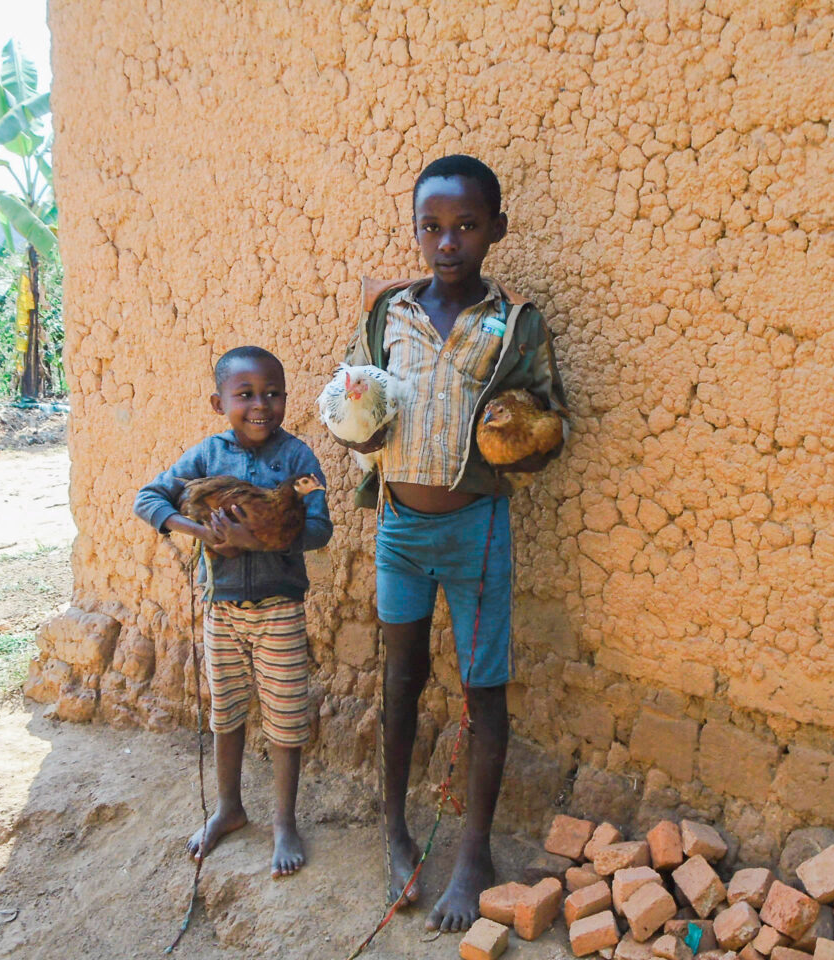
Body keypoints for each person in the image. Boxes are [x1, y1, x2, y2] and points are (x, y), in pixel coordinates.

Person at [335, 155, 569, 931]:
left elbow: (549, 422)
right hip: (400, 528)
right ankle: (395, 829)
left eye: (466, 226)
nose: (447, 242)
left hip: (477, 529)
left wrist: (525, 437)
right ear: (415, 231)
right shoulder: (388, 312)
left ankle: (473, 852)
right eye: (432, 226)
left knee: (482, 691)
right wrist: (354, 421)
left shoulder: (513, 322)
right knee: (400, 677)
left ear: (495, 230)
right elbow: (359, 395)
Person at [134, 345, 332, 877]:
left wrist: (261, 539)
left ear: (287, 398)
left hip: (280, 609)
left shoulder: (298, 459)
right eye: (244, 394)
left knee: (287, 717)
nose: (259, 404)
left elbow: (320, 528)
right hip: (221, 608)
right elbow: (149, 498)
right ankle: (229, 807)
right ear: (219, 401)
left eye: (271, 393)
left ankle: (284, 821)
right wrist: (205, 534)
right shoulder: (206, 456)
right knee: (226, 713)